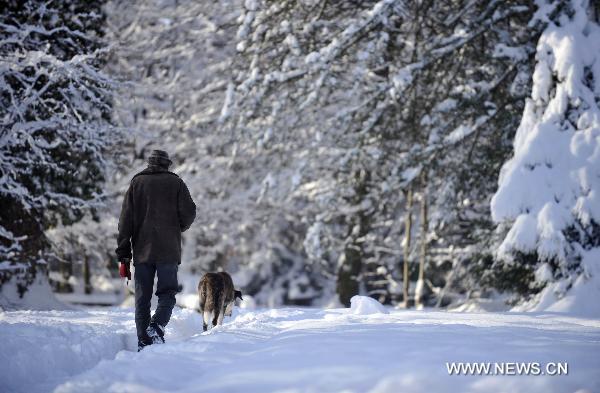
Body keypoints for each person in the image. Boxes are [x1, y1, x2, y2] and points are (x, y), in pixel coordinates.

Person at [115, 150, 196, 351]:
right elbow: (190, 212)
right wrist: (178, 227)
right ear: (167, 164)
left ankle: (144, 340)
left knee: (142, 297)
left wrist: (123, 253)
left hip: (142, 250)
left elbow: (125, 221)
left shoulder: (137, 183)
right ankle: (157, 327)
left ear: (149, 164)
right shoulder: (176, 183)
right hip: (168, 249)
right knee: (167, 292)